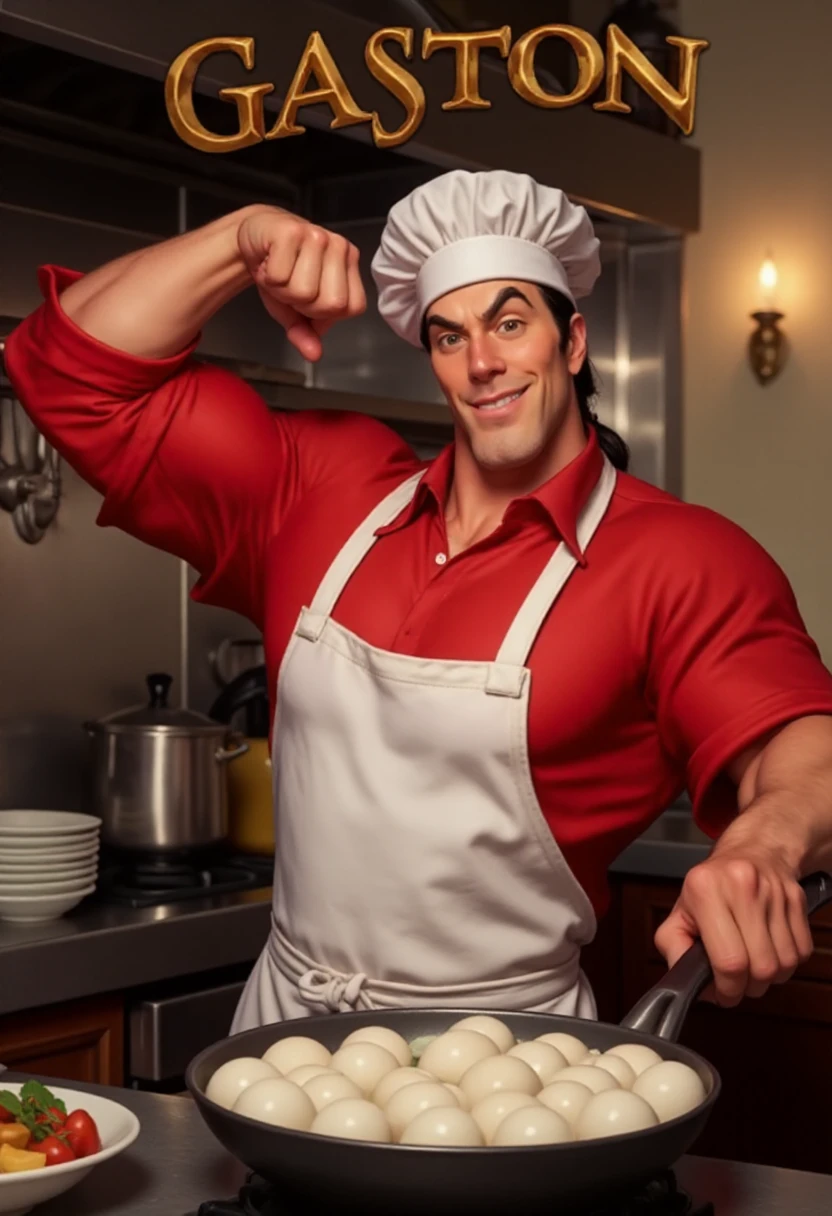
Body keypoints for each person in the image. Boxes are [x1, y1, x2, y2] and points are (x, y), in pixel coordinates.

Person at [6, 170, 832, 1032]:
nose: (482, 363)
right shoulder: (321, 489)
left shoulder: (677, 557)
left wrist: (762, 845)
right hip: (281, 1038)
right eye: (449, 336)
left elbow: (805, 741)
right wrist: (239, 236)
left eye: (511, 323)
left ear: (573, 340)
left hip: (508, 1058)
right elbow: (63, 371)